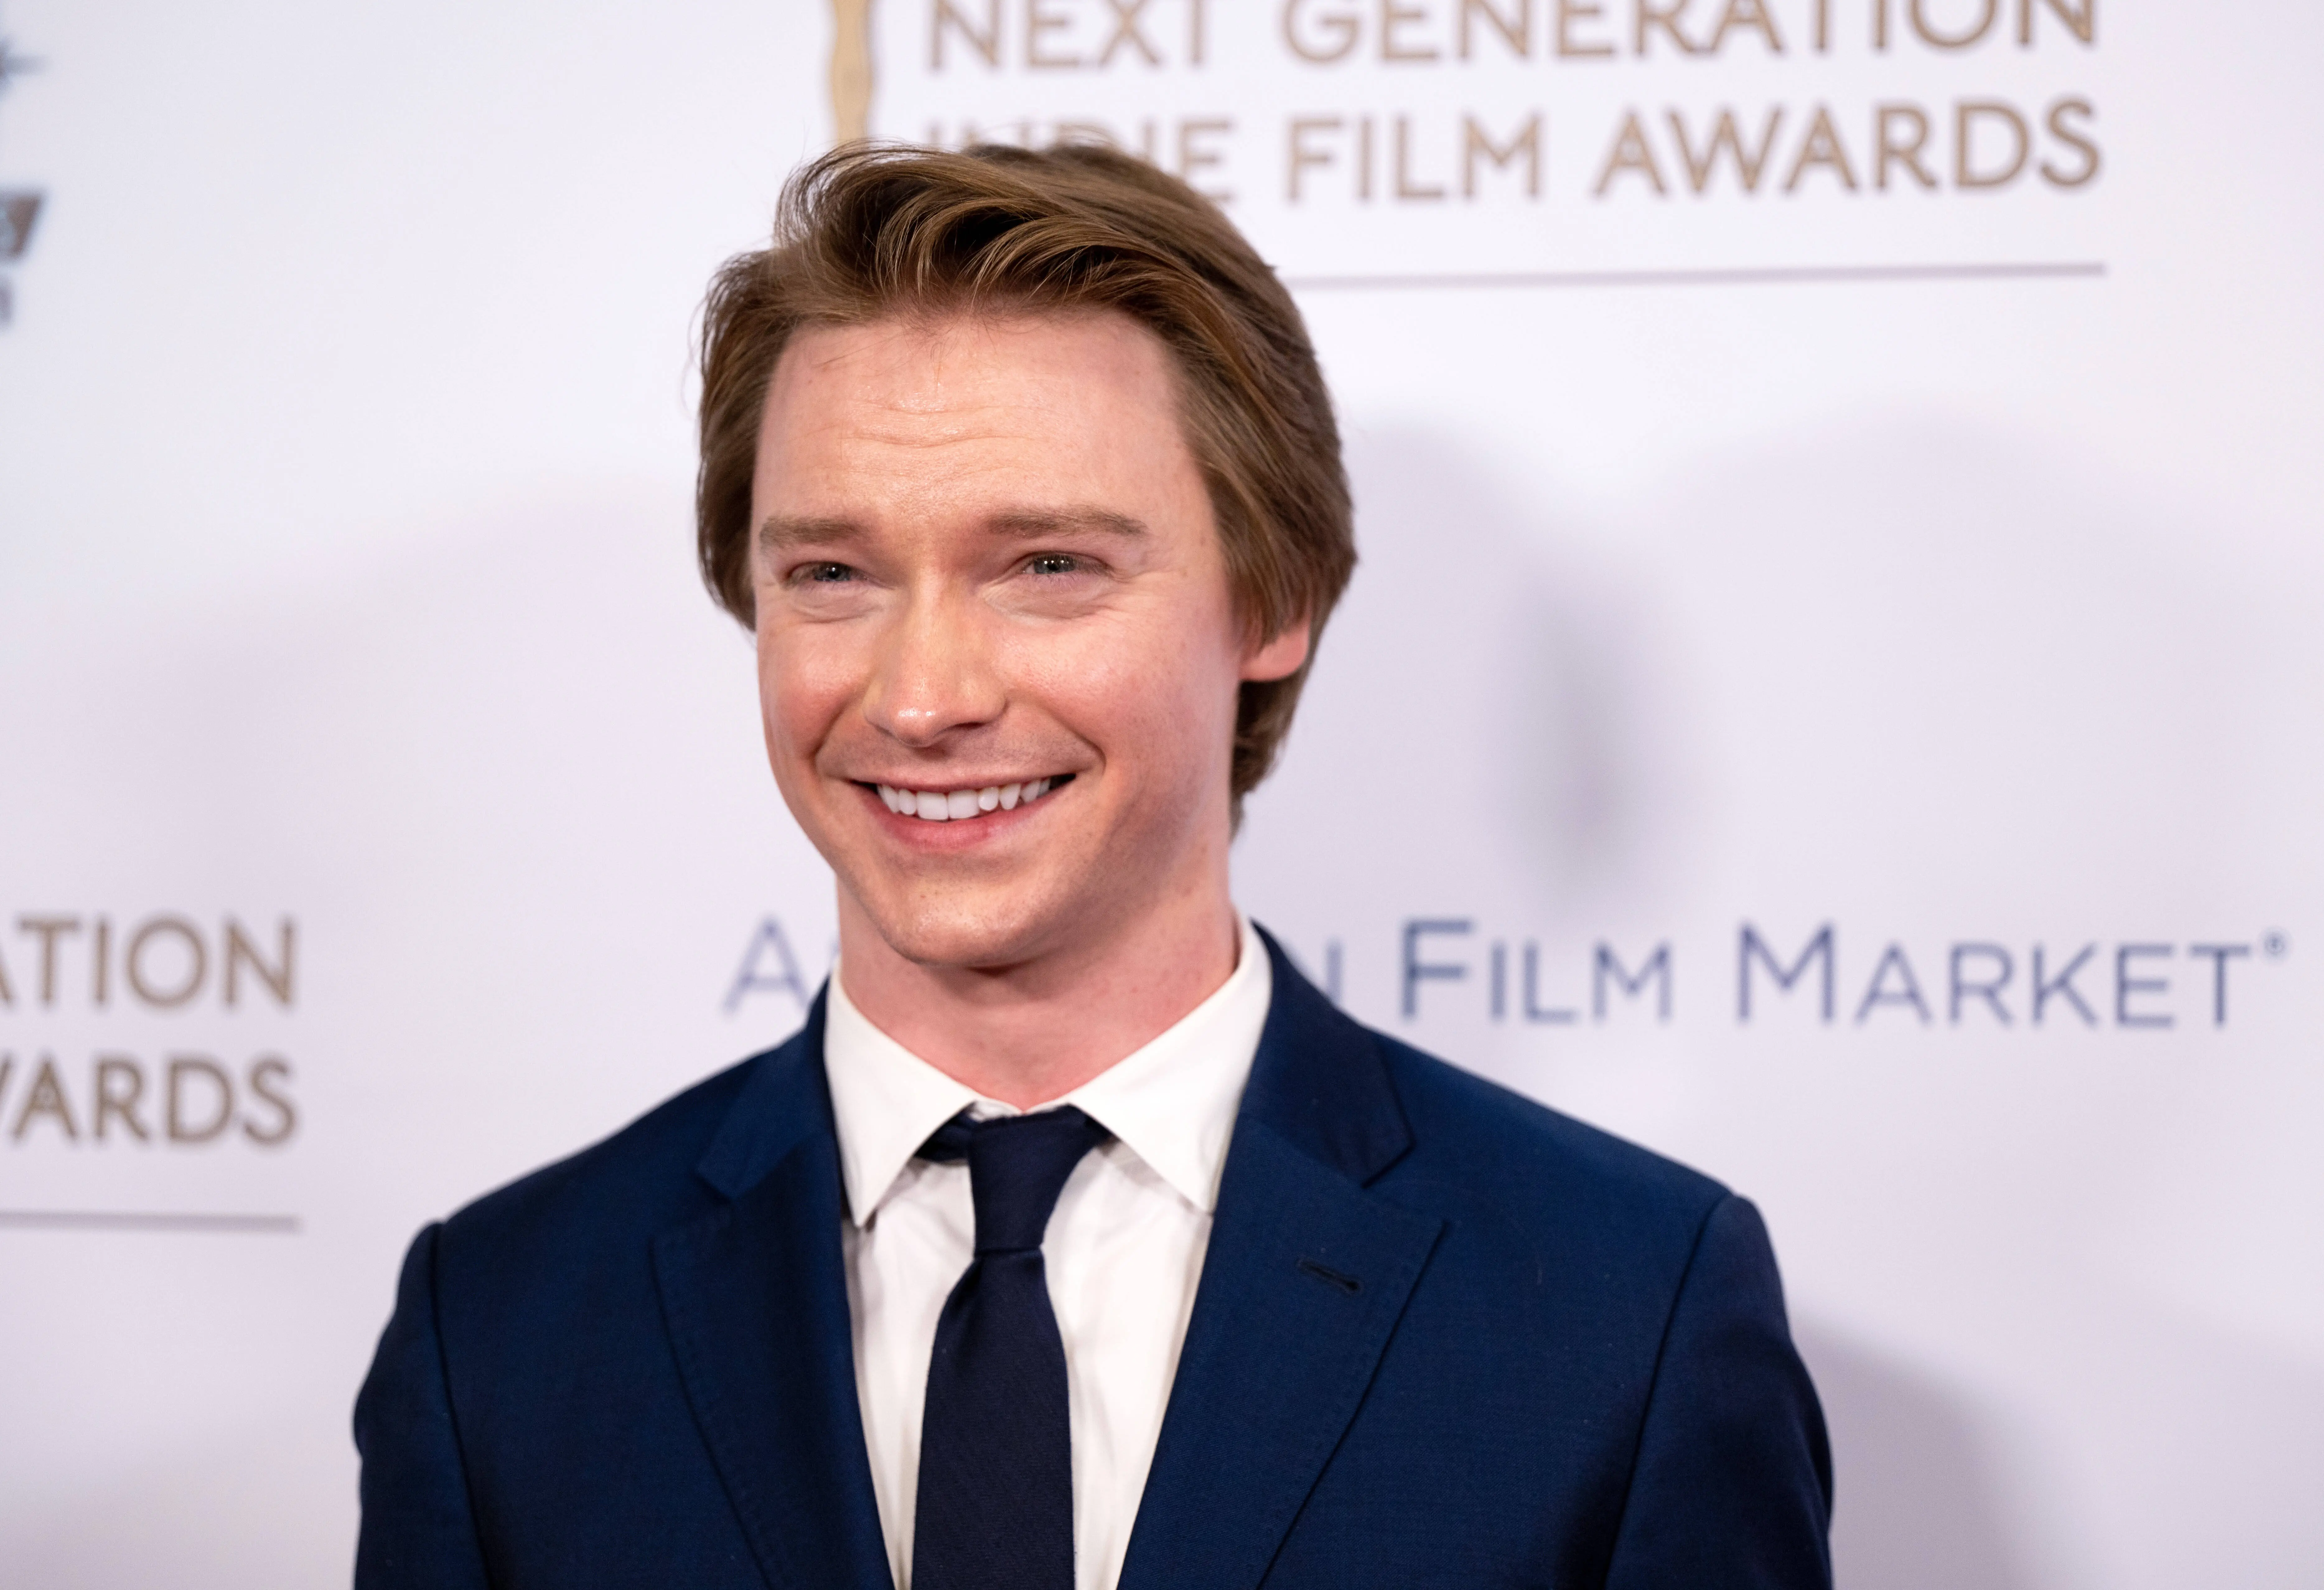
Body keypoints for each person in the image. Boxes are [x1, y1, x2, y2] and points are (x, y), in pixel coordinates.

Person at [353, 142, 1832, 1590]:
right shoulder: (496, 1329)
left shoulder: (1625, 1313)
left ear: (1274, 598)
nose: (922, 695)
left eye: (1048, 566)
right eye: (832, 573)